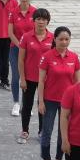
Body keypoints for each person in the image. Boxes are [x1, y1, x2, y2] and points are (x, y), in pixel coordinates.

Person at [37, 26, 80, 160]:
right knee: (47, 131)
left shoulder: (74, 57)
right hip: (49, 100)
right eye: (61, 39)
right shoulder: (47, 56)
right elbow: (41, 81)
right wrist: (41, 101)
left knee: (64, 132)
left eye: (66, 39)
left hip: (67, 102)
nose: (63, 42)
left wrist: (78, 102)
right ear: (54, 39)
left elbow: (77, 82)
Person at [16, 8, 52, 144]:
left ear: (47, 21)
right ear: (34, 20)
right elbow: (21, 59)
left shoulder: (52, 38)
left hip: (46, 80)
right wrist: (22, 78)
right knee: (27, 105)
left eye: (44, 19)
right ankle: (25, 130)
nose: (41, 22)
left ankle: (41, 131)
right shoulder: (26, 37)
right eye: (38, 19)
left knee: (42, 105)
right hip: (29, 77)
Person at [8, 0, 36, 117]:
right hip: (16, 49)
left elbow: (37, 31)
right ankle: (16, 102)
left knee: (28, 77)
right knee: (16, 76)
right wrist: (20, 45)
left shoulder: (35, 12)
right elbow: (10, 32)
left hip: (31, 50)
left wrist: (28, 45)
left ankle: (27, 104)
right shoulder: (13, 12)